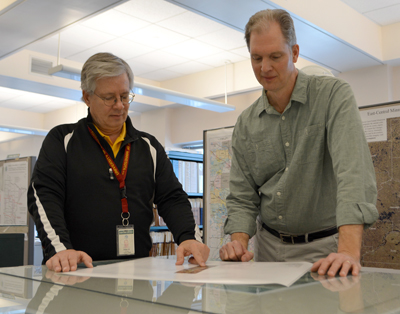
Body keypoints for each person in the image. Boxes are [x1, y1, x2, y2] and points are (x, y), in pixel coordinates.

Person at [219, 9, 378, 277]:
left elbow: (353, 174)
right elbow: (242, 197)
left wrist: (349, 251)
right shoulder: (246, 123)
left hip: (327, 251)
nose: (264, 68)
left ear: (294, 53)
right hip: (268, 251)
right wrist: (238, 245)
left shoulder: (333, 96)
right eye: (256, 58)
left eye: (275, 57)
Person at [28, 52, 209, 272]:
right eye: (109, 98)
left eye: (124, 96)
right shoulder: (62, 140)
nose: (119, 105)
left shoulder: (148, 146)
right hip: (75, 269)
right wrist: (59, 248)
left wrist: (189, 237)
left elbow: (172, 197)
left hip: (136, 271)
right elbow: (44, 196)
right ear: (87, 97)